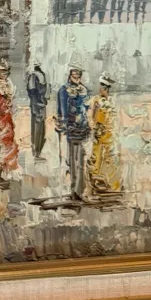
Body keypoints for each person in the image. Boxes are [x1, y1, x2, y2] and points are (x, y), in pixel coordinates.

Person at [56, 65, 90, 200]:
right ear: (70, 76)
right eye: (74, 75)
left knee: (80, 159)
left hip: (82, 127)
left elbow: (86, 107)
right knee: (72, 159)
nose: (76, 77)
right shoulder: (64, 90)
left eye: (78, 75)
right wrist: (62, 123)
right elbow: (61, 109)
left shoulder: (84, 90)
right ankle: (74, 189)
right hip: (71, 128)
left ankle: (79, 190)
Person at [87, 74, 121, 195]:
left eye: (103, 88)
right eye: (101, 87)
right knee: (96, 158)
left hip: (109, 133)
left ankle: (112, 185)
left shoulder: (112, 101)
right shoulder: (96, 100)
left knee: (110, 158)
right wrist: (94, 128)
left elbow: (115, 117)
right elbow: (92, 115)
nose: (101, 89)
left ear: (107, 89)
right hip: (98, 132)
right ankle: (95, 183)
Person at [0, 59, 19, 179]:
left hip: (7, 117)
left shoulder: (9, 84)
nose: (4, 74)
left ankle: (7, 169)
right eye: (1, 72)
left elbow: (12, 101)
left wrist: (10, 105)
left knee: (8, 141)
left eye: (5, 72)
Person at [26, 60, 49, 160]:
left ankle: (38, 151)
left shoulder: (41, 75)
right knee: (37, 127)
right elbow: (32, 93)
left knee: (41, 128)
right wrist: (37, 104)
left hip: (41, 105)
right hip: (36, 106)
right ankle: (36, 151)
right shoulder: (33, 76)